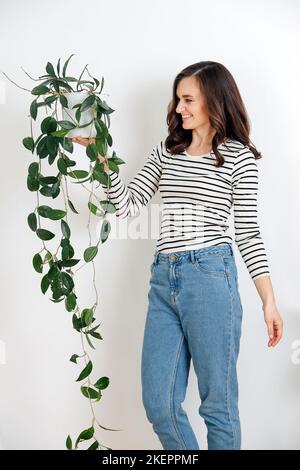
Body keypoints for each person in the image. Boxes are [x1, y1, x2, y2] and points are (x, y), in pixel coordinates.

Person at [72, 60, 283, 450]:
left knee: (217, 407)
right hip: (163, 281)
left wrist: (268, 301)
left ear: (213, 102)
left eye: (188, 99)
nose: (179, 107)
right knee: (160, 404)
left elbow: (249, 233)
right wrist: (100, 156)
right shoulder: (167, 151)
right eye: (178, 99)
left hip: (211, 278)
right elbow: (128, 205)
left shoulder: (237, 157)